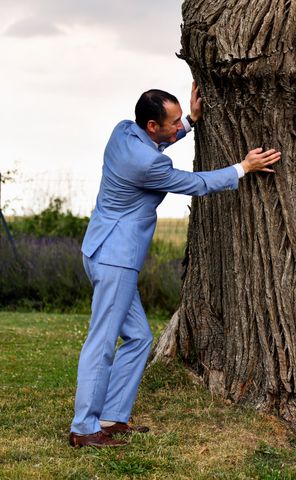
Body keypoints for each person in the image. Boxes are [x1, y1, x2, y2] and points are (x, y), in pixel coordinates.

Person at [69, 82, 281, 448]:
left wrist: (192, 123)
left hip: (100, 248)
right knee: (101, 343)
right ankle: (84, 428)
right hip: (116, 258)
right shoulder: (148, 164)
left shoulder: (123, 131)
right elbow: (195, 183)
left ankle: (111, 417)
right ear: (152, 126)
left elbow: (160, 143)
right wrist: (243, 168)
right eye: (174, 121)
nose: (179, 123)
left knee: (139, 338)